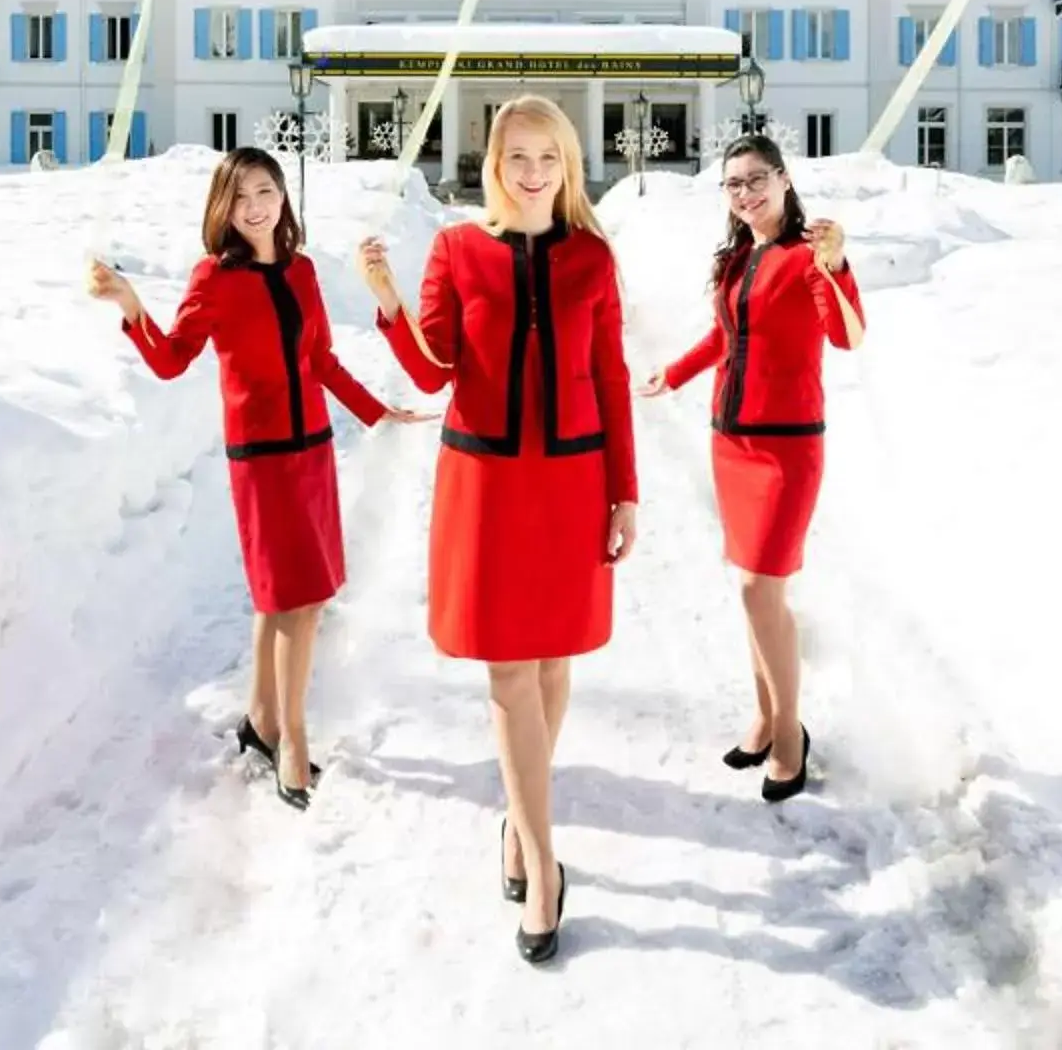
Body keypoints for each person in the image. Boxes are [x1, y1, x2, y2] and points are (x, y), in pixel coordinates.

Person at [358, 96, 636, 965]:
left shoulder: (593, 256)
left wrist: (625, 490)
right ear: (494, 162)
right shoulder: (456, 250)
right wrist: (389, 302)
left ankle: (520, 826)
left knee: (554, 665)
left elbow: (611, 374)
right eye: (516, 155)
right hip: (484, 481)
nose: (531, 170)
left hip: (572, 480)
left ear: (567, 162)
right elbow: (434, 370)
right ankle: (545, 867)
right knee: (510, 670)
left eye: (546, 155)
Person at [89, 148, 429, 811]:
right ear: (223, 206)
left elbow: (322, 360)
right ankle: (294, 739)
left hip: (314, 453)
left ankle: (261, 721)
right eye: (241, 194)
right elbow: (170, 360)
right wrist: (131, 305)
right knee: (292, 597)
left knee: (301, 596)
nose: (255, 205)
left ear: (282, 198)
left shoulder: (301, 272)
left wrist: (376, 409)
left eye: (266, 190)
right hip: (263, 460)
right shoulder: (213, 280)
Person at [637, 132, 863, 805]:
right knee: (755, 590)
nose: (745, 193)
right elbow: (724, 338)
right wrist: (673, 374)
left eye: (756, 179)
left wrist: (837, 265)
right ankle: (766, 717)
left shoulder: (805, 257)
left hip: (788, 447)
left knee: (758, 592)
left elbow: (847, 335)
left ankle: (791, 736)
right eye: (733, 184)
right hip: (730, 442)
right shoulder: (739, 259)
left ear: (784, 179)